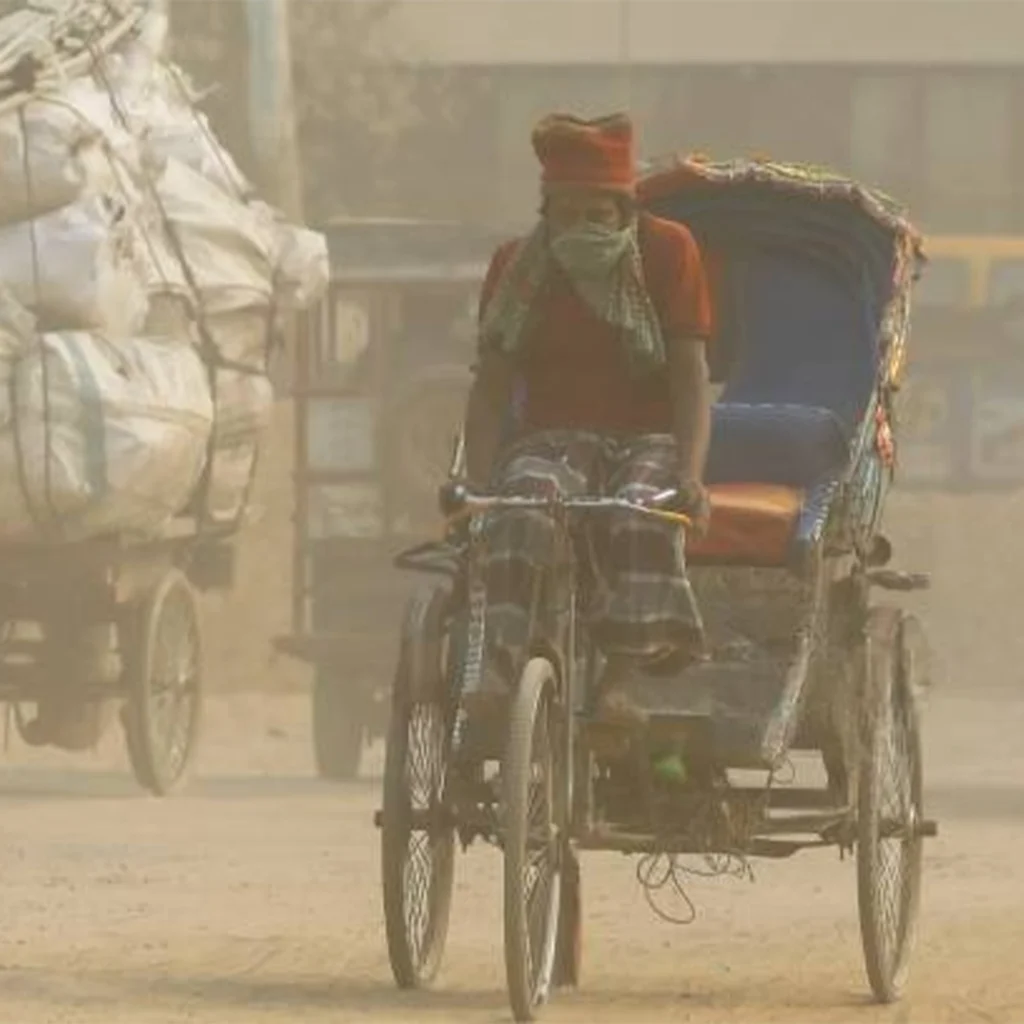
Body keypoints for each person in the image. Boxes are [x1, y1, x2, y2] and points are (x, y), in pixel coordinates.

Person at [461, 112, 713, 724]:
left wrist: (692, 473)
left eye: (595, 215)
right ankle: (503, 666)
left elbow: (690, 375)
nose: (580, 229)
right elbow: (491, 387)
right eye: (566, 215)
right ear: (546, 213)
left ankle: (624, 680)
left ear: (625, 211)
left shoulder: (668, 251)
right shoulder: (516, 266)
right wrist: (477, 487)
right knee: (521, 511)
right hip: (552, 437)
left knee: (639, 512)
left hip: (646, 437)